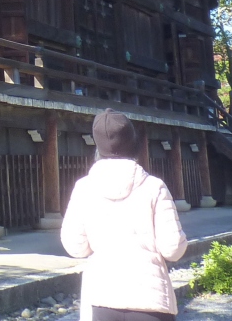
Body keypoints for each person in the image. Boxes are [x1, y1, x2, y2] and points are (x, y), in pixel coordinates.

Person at [61, 109, 188, 321]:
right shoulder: (154, 186)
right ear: (133, 143)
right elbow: (173, 248)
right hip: (150, 299)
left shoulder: (84, 188)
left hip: (103, 297)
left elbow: (75, 247)